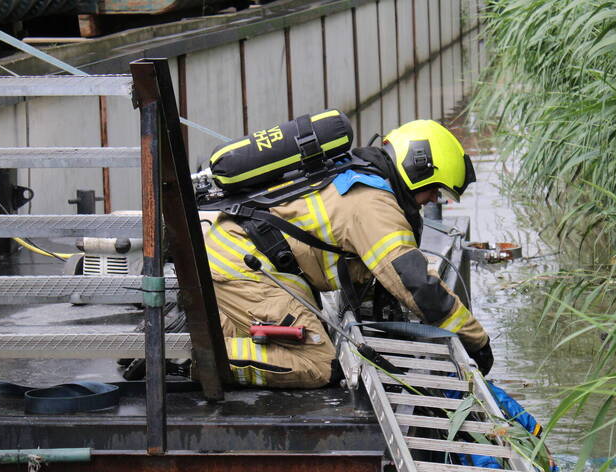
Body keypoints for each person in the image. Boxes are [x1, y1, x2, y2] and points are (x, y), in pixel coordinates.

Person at [204, 119, 493, 388]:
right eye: (434, 189)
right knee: (319, 363)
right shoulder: (374, 205)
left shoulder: (359, 174)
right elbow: (416, 284)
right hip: (246, 269)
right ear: (417, 169)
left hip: (235, 253)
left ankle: (213, 343)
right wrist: (477, 341)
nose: (433, 199)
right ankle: (201, 360)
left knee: (274, 338)